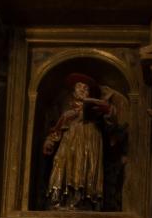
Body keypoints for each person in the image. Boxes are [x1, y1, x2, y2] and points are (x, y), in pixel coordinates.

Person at [43, 73, 123, 210]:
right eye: (79, 87)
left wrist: (107, 110)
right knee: (61, 163)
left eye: (86, 88)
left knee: (85, 165)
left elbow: (111, 125)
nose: (82, 90)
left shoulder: (97, 110)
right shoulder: (67, 112)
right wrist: (49, 141)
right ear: (73, 92)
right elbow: (57, 129)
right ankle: (59, 199)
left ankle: (83, 201)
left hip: (90, 141)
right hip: (70, 141)